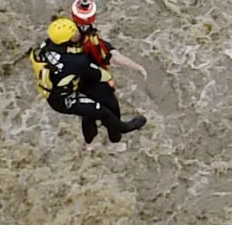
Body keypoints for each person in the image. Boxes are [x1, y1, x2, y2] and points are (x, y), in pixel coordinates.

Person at [30, 18, 147, 148]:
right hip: (64, 100)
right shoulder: (77, 62)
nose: (78, 33)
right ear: (67, 41)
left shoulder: (46, 46)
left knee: (89, 113)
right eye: (74, 33)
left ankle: (89, 143)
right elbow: (100, 75)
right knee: (102, 112)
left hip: (54, 90)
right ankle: (123, 128)